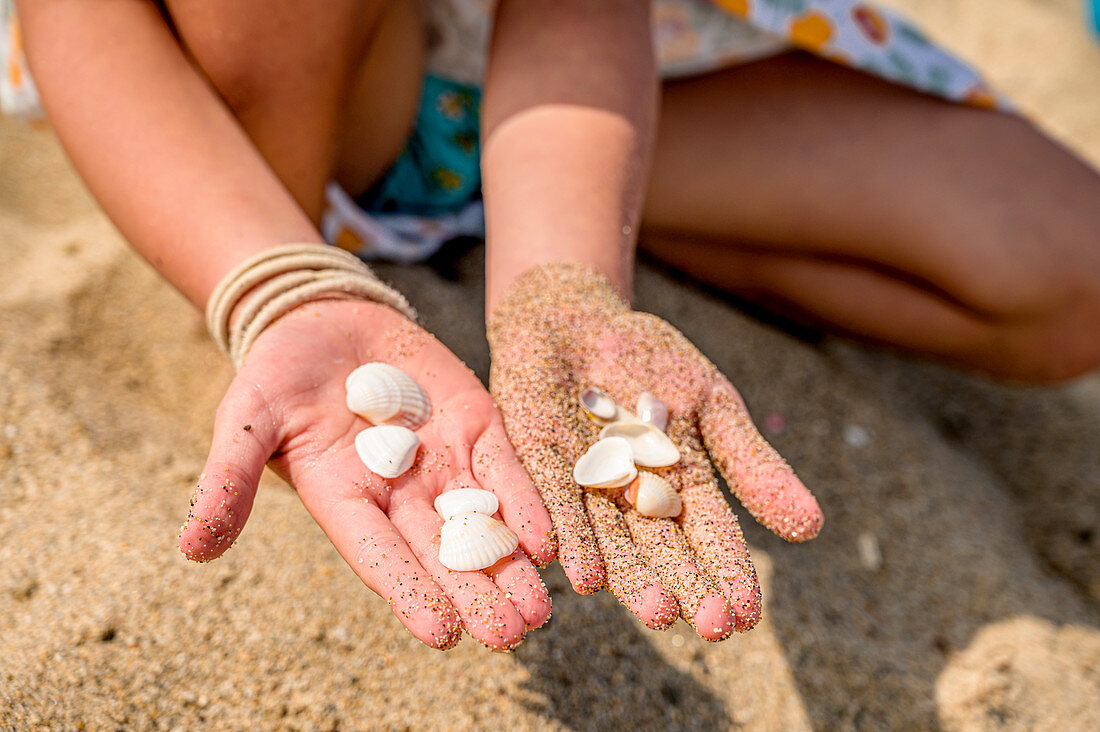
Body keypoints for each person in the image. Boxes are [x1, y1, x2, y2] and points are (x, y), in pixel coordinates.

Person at [10, 0, 1099, 651]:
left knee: (1068, 276)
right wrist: (277, 285)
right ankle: (296, 230)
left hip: (578, 71)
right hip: (289, 83)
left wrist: (561, 275)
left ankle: (497, 201)